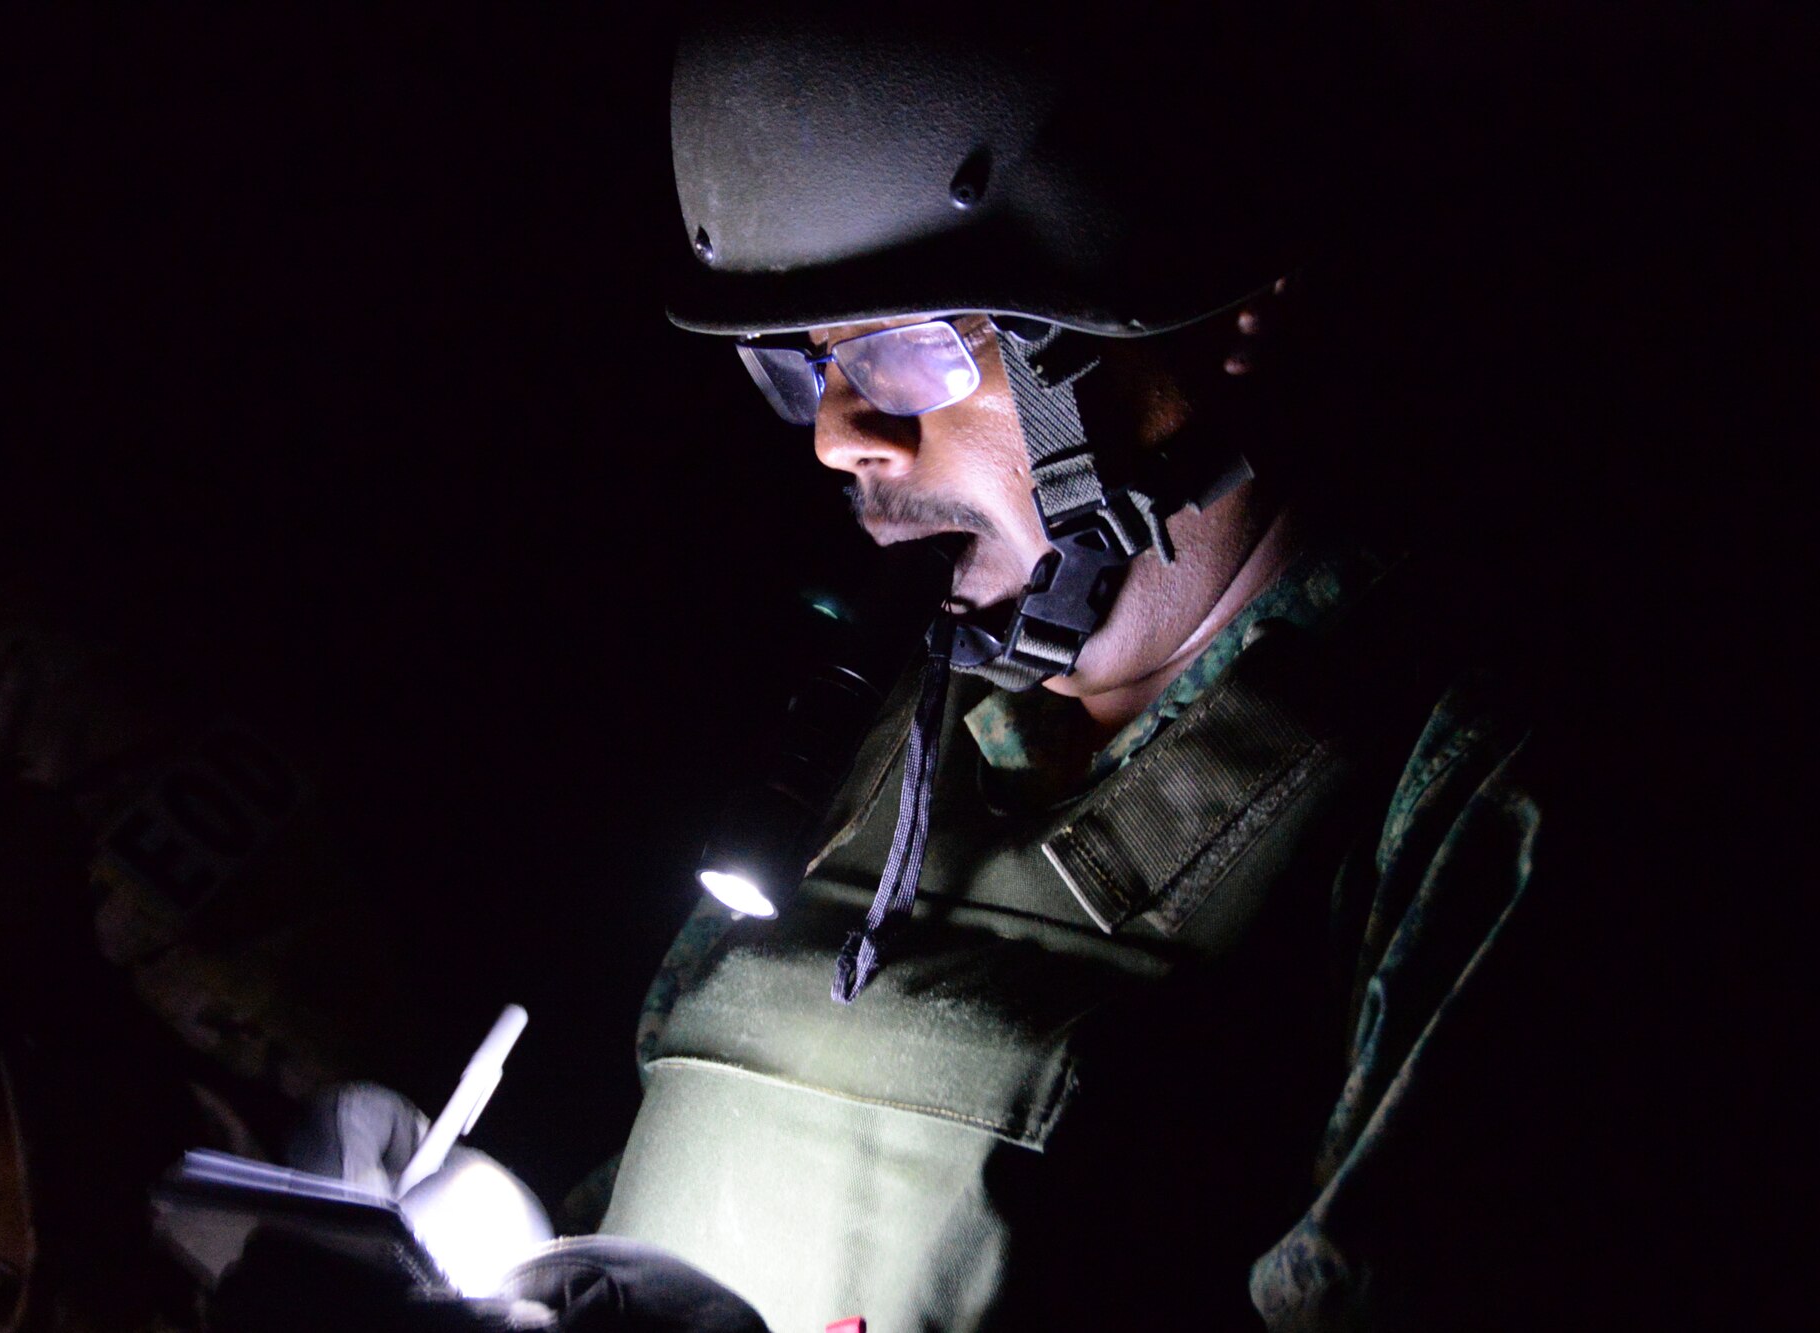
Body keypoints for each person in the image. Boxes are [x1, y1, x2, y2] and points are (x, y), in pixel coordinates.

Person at [593, 7, 1635, 1329]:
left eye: (909, 350)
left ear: (1220, 327)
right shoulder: (865, 749)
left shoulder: (1464, 797)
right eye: (800, 370)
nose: (841, 439)